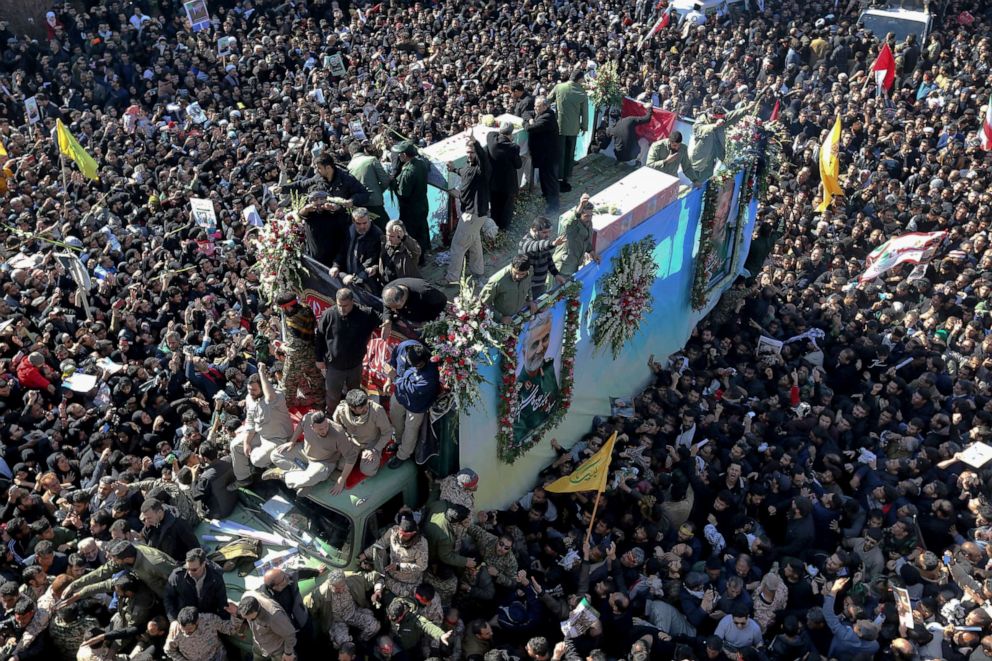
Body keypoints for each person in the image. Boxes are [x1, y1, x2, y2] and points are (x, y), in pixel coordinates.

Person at [230, 363, 293, 490]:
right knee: (235, 445)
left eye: (254, 390)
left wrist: (262, 373)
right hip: (261, 434)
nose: (251, 393)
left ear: (262, 388)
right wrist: (247, 442)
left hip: (277, 438)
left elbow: (270, 397)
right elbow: (251, 423)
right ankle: (243, 478)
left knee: (257, 460)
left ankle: (269, 465)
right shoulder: (249, 399)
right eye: (249, 390)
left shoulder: (276, 396)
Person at [315, 288, 379, 412]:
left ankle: (353, 414)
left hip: (355, 365)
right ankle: (332, 414)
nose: (342, 309)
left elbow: (381, 316)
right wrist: (318, 358)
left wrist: (387, 322)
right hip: (334, 366)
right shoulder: (329, 314)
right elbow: (319, 337)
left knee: (354, 393)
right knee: (333, 395)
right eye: (339, 305)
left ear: (353, 302)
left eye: (345, 306)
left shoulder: (363, 314)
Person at [269, 410, 357, 495]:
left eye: (326, 426)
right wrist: (292, 441)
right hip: (304, 452)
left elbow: (351, 458)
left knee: (314, 476)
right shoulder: (307, 418)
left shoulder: (338, 432)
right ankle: (305, 480)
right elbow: (300, 425)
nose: (324, 430)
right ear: (312, 427)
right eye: (320, 429)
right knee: (275, 455)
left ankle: (282, 474)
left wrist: (341, 480)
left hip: (323, 462)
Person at [385, 341, 440, 469]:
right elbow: (393, 360)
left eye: (419, 365)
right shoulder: (404, 347)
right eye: (412, 364)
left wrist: (394, 378)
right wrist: (389, 379)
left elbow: (413, 390)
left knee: (410, 430)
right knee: (396, 419)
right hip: (399, 395)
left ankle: (402, 455)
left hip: (416, 405)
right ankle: (398, 441)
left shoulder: (431, 373)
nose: (416, 367)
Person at [446, 136, 491, 285]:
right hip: (475, 214)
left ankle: (452, 279)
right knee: (474, 243)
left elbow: (482, 158)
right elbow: (463, 172)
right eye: (467, 152)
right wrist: (453, 169)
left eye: (471, 152)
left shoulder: (482, 168)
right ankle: (478, 271)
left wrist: (475, 142)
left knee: (458, 246)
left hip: (473, 214)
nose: (469, 155)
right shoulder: (469, 167)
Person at [513, 312, 560, 446]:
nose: (540, 349)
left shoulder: (549, 368)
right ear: (523, 351)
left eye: (545, 339)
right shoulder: (515, 388)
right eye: (534, 344)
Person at [273, 291, 326, 409]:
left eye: (283, 308)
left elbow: (295, 349)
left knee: (288, 383)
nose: (283, 311)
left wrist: (282, 347)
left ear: (288, 307)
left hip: (297, 358)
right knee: (316, 379)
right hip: (312, 351)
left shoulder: (292, 320)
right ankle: (321, 403)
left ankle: (286, 407)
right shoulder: (306, 308)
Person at [361, 508, 428, 599]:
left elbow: (422, 566)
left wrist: (399, 567)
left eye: (404, 535)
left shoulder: (421, 544)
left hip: (408, 582)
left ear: (412, 533)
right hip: (391, 575)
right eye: (400, 532)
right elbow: (381, 543)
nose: (400, 536)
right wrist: (365, 554)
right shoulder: (393, 531)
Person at [689, 99, 760, 182]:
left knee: (708, 175)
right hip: (701, 153)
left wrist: (747, 108)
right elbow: (697, 129)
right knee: (695, 175)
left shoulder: (722, 119)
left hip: (715, 152)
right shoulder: (702, 119)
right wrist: (715, 125)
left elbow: (732, 115)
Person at [308, 569, 380, 649]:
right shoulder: (321, 593)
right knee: (343, 644)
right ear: (330, 585)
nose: (341, 590)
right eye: (337, 589)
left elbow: (374, 576)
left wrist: (378, 590)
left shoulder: (352, 579)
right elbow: (310, 606)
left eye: (343, 586)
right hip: (337, 621)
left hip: (353, 613)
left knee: (374, 626)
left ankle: (360, 641)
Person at [331, 389, 394, 477]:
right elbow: (337, 426)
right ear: (352, 408)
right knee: (341, 466)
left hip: (371, 443)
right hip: (353, 441)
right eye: (361, 408)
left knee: (368, 470)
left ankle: (369, 456)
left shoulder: (376, 410)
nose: (366, 408)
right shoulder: (341, 410)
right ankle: (358, 455)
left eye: (366, 405)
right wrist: (346, 437)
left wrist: (375, 450)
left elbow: (388, 432)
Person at [391, 141, 431, 264]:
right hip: (422, 204)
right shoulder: (421, 163)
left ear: (404, 154)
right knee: (422, 230)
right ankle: (423, 255)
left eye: (400, 154)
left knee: (412, 234)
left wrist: (393, 183)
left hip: (410, 209)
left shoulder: (408, 172)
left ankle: (417, 258)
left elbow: (403, 193)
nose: (398, 157)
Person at [164, 548, 229, 622]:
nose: (189, 572)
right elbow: (168, 598)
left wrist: (225, 621)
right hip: (186, 619)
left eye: (194, 569)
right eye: (187, 568)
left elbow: (222, 601)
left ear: (203, 564)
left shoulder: (215, 577)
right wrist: (173, 620)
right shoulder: (177, 576)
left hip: (206, 617)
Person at [551, 69, 589, 192]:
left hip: (560, 126)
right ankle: (566, 177)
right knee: (569, 153)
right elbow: (585, 113)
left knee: (559, 153)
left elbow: (547, 100)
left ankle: (558, 176)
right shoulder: (582, 93)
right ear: (579, 79)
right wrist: (584, 127)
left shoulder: (559, 87)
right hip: (573, 129)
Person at [329, 207, 384, 293]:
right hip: (349, 274)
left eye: (365, 223)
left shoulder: (376, 235)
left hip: (365, 280)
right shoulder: (350, 230)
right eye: (358, 223)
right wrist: (336, 265)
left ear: (369, 220)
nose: (362, 226)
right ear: (353, 221)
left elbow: (371, 260)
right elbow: (343, 251)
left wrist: (354, 277)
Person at [164, 605, 241, 661]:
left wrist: (235, 615)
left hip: (218, 656)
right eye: (183, 629)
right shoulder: (175, 630)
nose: (185, 632)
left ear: (197, 622)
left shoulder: (209, 620)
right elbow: (169, 650)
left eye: (189, 629)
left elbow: (231, 629)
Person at [526, 95, 561, 214]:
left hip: (549, 156)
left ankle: (554, 206)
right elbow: (526, 113)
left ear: (545, 106)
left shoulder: (547, 117)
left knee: (550, 180)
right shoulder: (540, 113)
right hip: (543, 155)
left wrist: (528, 123)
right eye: (535, 106)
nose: (535, 109)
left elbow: (530, 128)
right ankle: (546, 197)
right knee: (544, 178)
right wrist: (529, 119)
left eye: (538, 106)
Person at [237, 593, 297, 661]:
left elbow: (290, 634)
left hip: (277, 650)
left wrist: (288, 653)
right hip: (258, 646)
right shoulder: (246, 598)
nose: (250, 621)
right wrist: (243, 627)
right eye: (246, 618)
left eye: (252, 619)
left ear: (257, 611)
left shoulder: (274, 616)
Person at [519, 217, 568, 299]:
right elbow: (537, 246)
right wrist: (552, 243)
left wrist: (556, 274)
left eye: (549, 232)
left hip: (540, 284)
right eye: (544, 232)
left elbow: (548, 258)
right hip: (529, 287)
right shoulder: (526, 242)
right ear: (534, 230)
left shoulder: (542, 240)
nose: (547, 235)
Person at [347, 141, 392, 230]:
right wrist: (378, 190)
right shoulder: (372, 160)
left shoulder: (349, 166)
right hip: (375, 202)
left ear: (351, 152)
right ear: (364, 150)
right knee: (385, 230)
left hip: (359, 205)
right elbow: (385, 181)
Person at [138, 497, 199, 563]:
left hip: (179, 560)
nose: (147, 521)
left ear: (159, 512)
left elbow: (194, 545)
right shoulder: (153, 521)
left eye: (149, 518)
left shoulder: (178, 523)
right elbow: (147, 537)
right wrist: (147, 528)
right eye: (145, 518)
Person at [552, 194, 600, 276]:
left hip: (574, 265)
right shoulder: (572, 226)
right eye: (586, 216)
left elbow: (585, 240)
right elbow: (570, 221)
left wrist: (591, 252)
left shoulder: (588, 223)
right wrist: (581, 205)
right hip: (562, 267)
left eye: (591, 215)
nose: (590, 218)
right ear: (580, 215)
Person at [480, 255, 538, 323]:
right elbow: (483, 302)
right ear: (511, 266)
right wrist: (500, 317)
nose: (518, 276)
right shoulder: (497, 281)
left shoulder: (529, 272)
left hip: (517, 316)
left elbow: (528, 286)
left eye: (522, 274)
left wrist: (530, 300)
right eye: (516, 273)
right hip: (499, 322)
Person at [488, 122, 523, 230]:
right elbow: (518, 164)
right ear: (510, 134)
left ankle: (494, 228)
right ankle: (504, 229)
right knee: (506, 209)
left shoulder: (491, 139)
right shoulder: (513, 147)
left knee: (495, 207)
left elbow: (492, 133)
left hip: (493, 182)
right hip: (507, 184)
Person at [380, 278, 448, 335]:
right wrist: (387, 320)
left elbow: (442, 301)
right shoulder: (388, 290)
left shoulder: (425, 291)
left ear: (403, 300)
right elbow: (387, 306)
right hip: (413, 319)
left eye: (395, 307)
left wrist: (429, 321)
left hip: (432, 318)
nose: (392, 310)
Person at [378, 220, 423, 285]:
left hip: (404, 287)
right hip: (386, 285)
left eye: (392, 236)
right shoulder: (385, 244)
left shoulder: (406, 250)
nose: (389, 239)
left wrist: (405, 237)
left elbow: (416, 251)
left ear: (400, 236)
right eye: (388, 235)